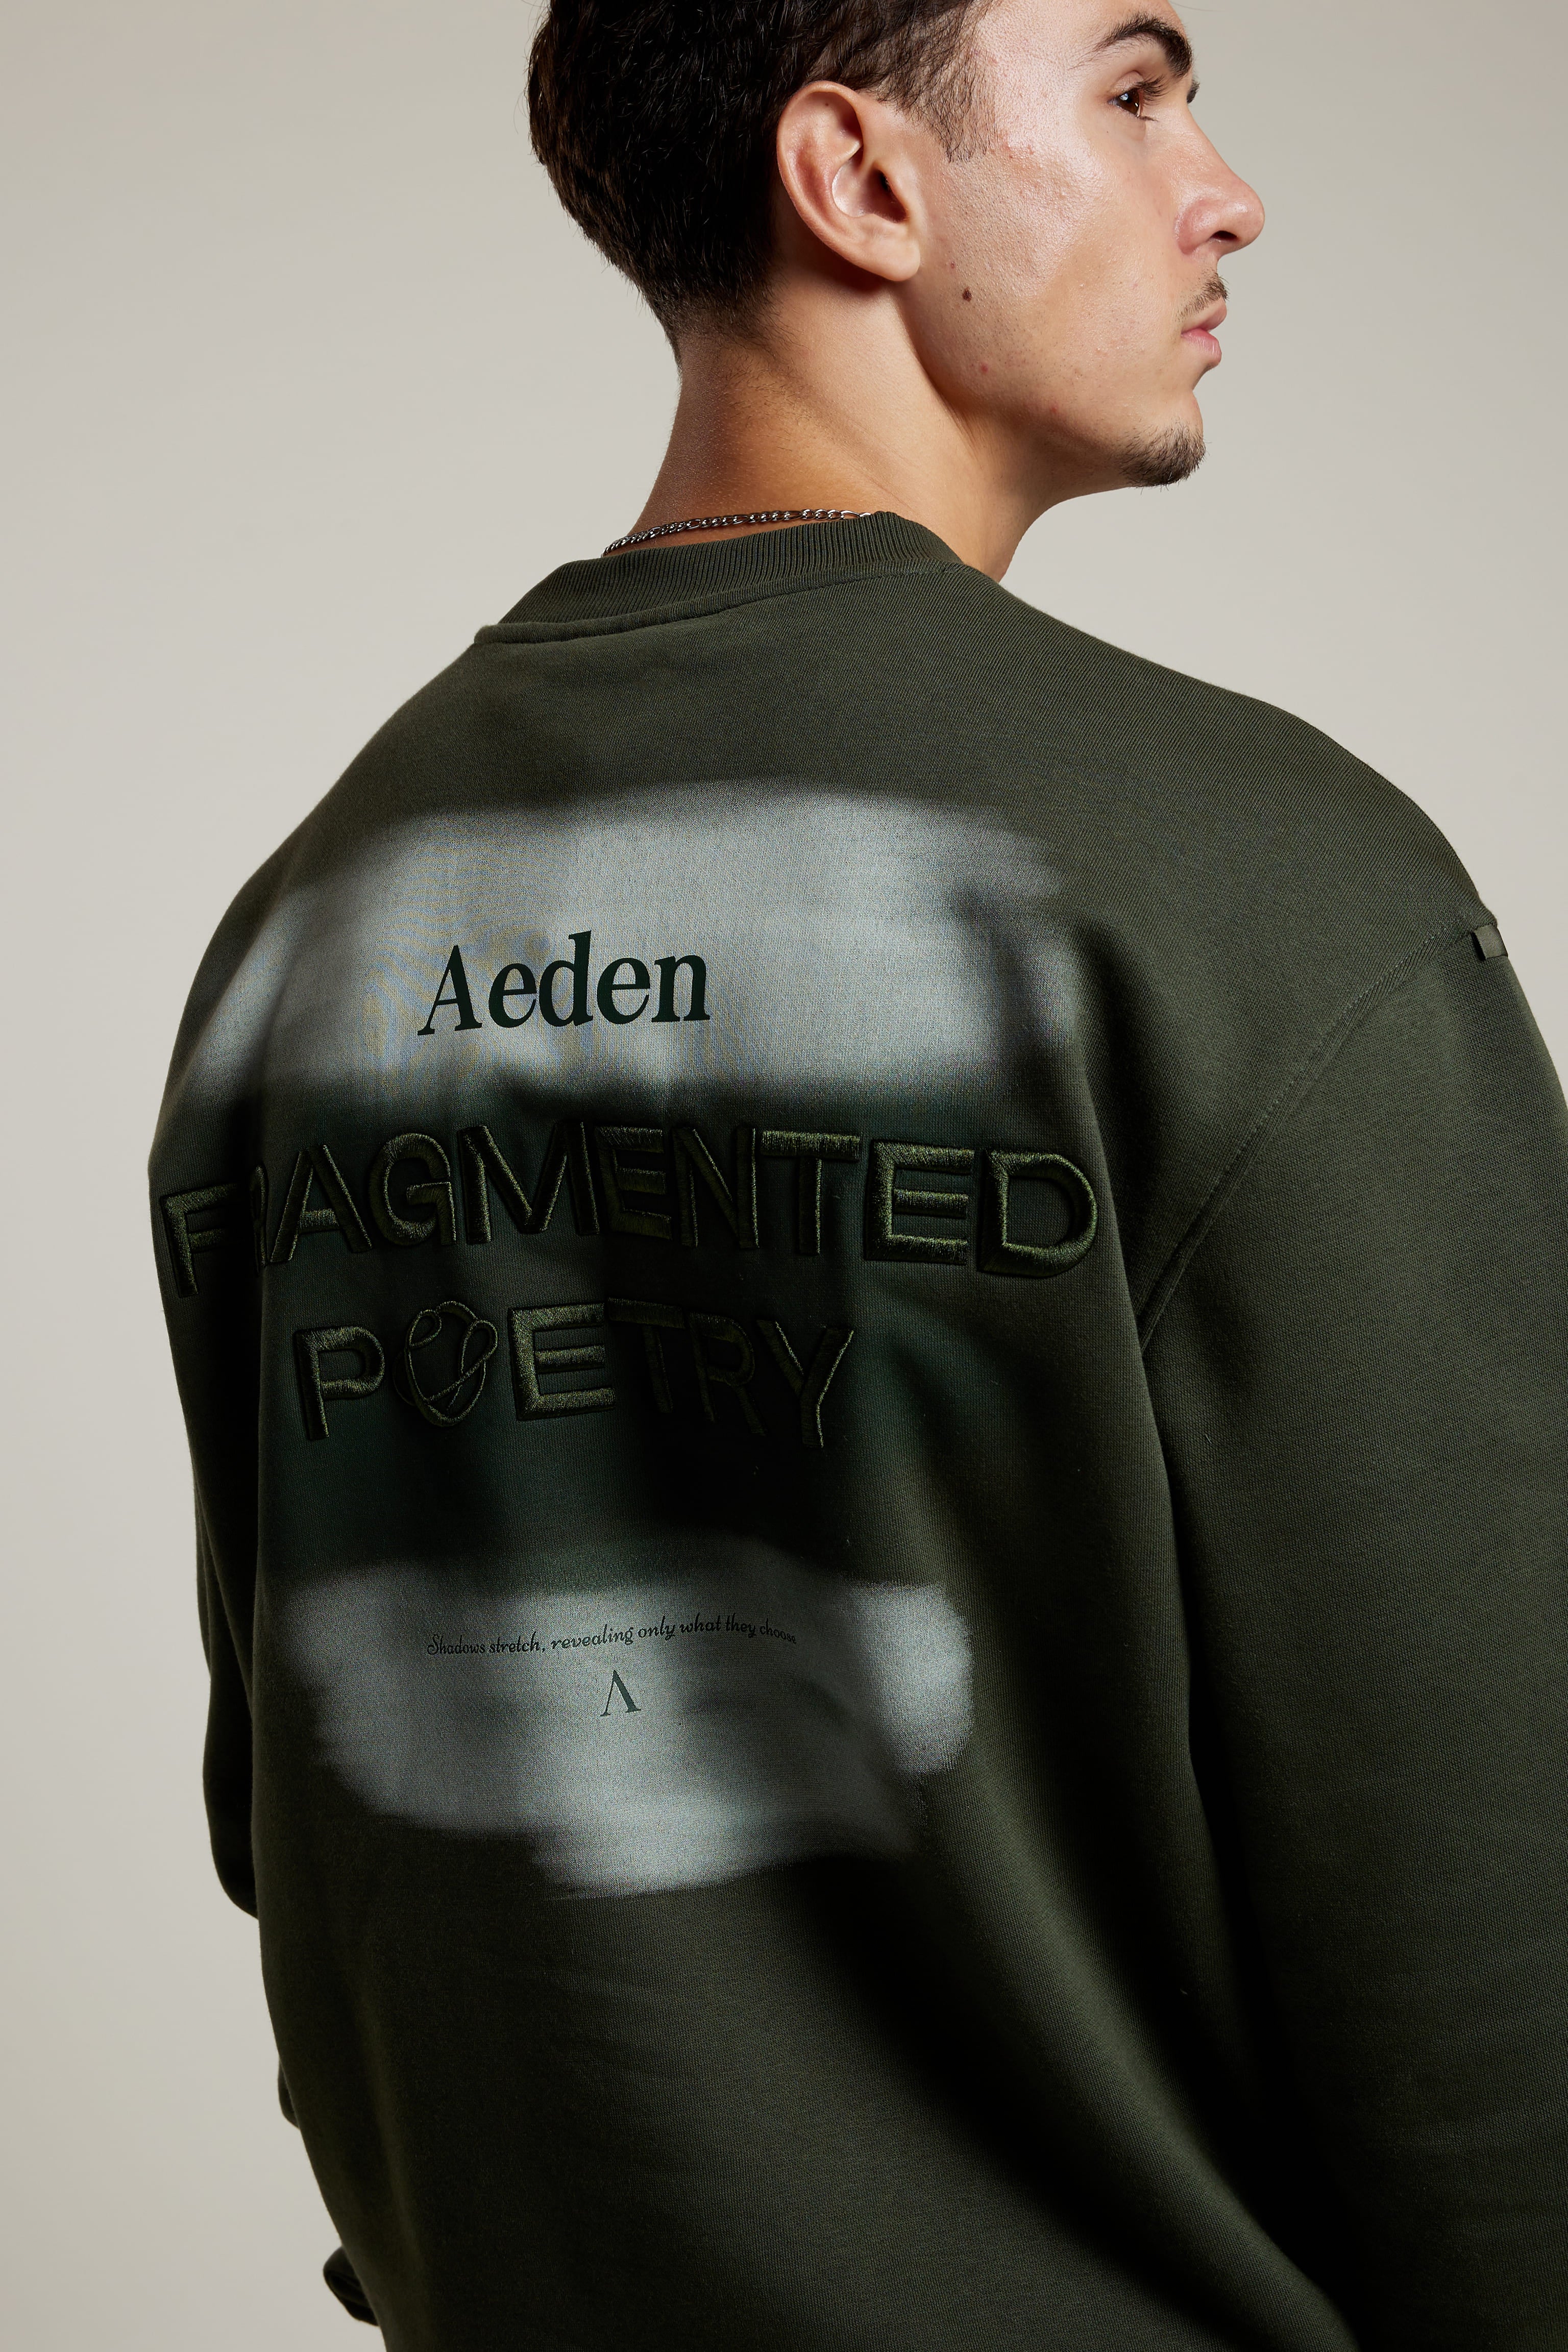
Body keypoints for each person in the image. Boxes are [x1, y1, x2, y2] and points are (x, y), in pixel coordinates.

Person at [149, 1, 1568, 2344]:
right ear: (863, 180)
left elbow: (309, 1844)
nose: (1224, 190)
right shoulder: (1253, 888)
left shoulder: (310, 932)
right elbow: (1495, 1924)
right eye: (1133, 90)